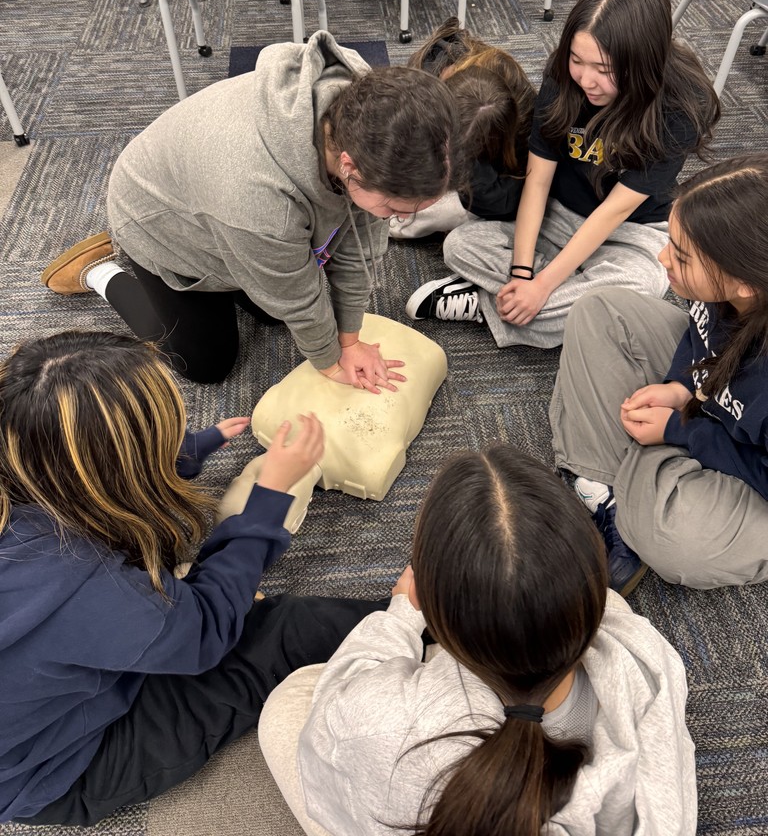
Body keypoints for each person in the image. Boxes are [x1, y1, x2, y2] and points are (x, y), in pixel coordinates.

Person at [0, 330, 383, 826]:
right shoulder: (84, 584)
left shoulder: (22, 471)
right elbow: (204, 634)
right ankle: (432, 615)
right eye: (163, 436)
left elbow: (75, 462)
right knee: (282, 631)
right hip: (52, 769)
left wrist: (189, 451)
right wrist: (270, 496)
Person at [257, 447, 696, 836]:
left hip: (403, 747)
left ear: (436, 613)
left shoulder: (383, 722)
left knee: (288, 706)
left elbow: (332, 731)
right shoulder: (646, 659)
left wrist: (401, 616)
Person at [40, 31, 464, 389]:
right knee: (206, 365)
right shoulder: (259, 206)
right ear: (350, 166)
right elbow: (297, 298)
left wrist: (349, 340)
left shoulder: (376, 111)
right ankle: (101, 271)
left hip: (225, 210)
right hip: (158, 222)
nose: (399, 220)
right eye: (393, 207)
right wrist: (330, 363)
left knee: (282, 310)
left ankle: (249, 272)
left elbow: (360, 243)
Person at [405, 0, 720, 340]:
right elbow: (537, 182)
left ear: (642, 63)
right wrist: (523, 272)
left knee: (642, 287)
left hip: (630, 229)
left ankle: (488, 306)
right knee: (460, 246)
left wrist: (541, 287)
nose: (586, 80)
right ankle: (561, 298)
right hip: (557, 214)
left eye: (604, 70)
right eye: (577, 60)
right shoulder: (562, 77)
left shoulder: (682, 104)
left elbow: (614, 211)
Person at [550, 153, 768, 593]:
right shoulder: (735, 282)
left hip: (757, 472)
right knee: (601, 311)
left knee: (681, 543)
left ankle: (614, 483)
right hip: (721, 403)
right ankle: (621, 493)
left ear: (745, 282)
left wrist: (679, 430)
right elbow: (700, 335)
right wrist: (680, 387)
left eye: (681, 257)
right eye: (670, 242)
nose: (663, 259)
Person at [389, 17, 535, 239]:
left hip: (498, 180)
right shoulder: (424, 94)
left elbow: (502, 200)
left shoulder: (522, 117)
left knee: (412, 216)